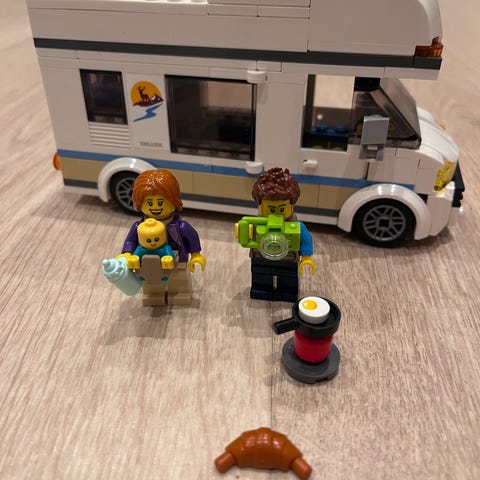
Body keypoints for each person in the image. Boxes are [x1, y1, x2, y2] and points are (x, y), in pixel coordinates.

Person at [119, 169, 205, 306]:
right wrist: (127, 254)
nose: (155, 207)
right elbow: (131, 241)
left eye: (160, 202)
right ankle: (154, 295)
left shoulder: (180, 227)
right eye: (149, 203)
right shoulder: (138, 227)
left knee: (178, 280)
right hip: (147, 263)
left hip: (177, 259)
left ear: (174, 200)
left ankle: (180, 294)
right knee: (150, 283)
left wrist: (196, 255)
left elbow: (192, 237)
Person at [248, 167, 316, 302]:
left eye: (282, 208)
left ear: (292, 205)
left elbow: (306, 240)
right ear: (260, 205)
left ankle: (287, 291)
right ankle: (261, 289)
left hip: (288, 258)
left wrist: (306, 257)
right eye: (271, 209)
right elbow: (247, 235)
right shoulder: (256, 224)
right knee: (260, 274)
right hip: (261, 256)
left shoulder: (296, 226)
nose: (276, 214)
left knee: (288, 277)